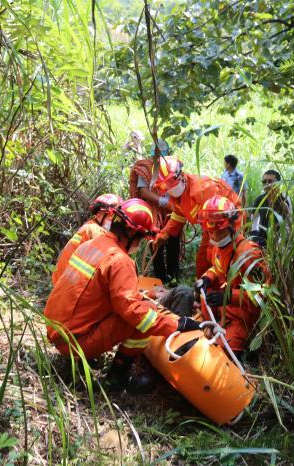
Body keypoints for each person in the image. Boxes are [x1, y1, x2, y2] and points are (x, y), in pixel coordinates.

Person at [44, 198, 201, 392]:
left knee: (140, 307)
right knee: (143, 316)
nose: (139, 242)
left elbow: (105, 294)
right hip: (74, 342)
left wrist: (145, 295)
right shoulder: (120, 260)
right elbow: (133, 310)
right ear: (132, 233)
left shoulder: (91, 244)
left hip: (57, 331)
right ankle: (117, 378)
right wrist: (178, 324)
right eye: (141, 237)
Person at [194, 195, 270, 358]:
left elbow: (262, 295)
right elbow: (218, 267)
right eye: (211, 232)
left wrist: (229, 297)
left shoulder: (249, 254)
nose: (214, 236)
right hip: (224, 309)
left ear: (231, 226)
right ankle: (211, 324)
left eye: (218, 231)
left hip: (242, 315)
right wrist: (207, 278)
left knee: (223, 352)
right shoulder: (219, 246)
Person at [151, 157, 242, 277]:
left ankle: (226, 291)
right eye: (163, 187)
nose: (167, 188)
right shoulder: (179, 196)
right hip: (210, 225)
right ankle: (205, 289)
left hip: (228, 221)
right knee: (204, 259)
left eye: (169, 183)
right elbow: (179, 215)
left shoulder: (202, 189)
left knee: (223, 257)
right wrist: (164, 234)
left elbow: (219, 217)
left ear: (179, 175)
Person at [129, 139, 180, 282]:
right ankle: (161, 277)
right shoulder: (145, 168)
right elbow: (143, 192)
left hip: (171, 212)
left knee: (173, 242)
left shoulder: (171, 166)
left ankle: (173, 276)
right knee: (156, 242)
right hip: (154, 212)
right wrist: (162, 201)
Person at [52, 193, 123, 286]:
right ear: (100, 214)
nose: (115, 221)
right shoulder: (95, 232)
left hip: (62, 282)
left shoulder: (89, 226)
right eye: (112, 216)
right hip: (69, 285)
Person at [249, 169, 292, 248]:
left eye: (270, 181)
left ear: (278, 183)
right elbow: (254, 220)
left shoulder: (285, 199)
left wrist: (281, 243)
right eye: (264, 182)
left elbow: (289, 222)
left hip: (281, 243)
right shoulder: (259, 200)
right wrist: (255, 236)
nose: (267, 184)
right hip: (262, 240)